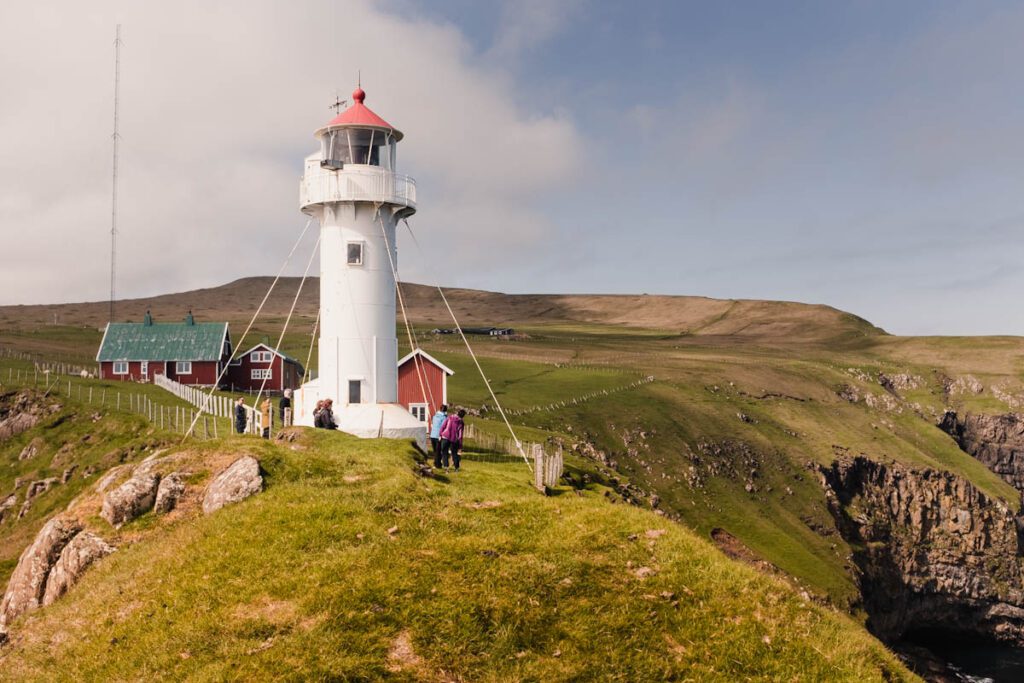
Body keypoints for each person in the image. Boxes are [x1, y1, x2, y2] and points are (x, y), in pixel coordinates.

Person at [429, 404, 448, 469]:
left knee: (435, 451)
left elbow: (432, 424)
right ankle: (437, 465)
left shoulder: (434, 416)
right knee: (438, 451)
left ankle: (436, 463)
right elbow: (444, 427)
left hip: (432, 435)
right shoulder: (444, 418)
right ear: (445, 410)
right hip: (438, 436)